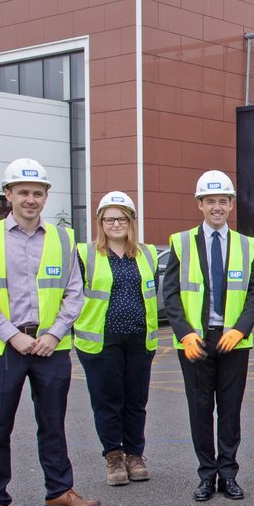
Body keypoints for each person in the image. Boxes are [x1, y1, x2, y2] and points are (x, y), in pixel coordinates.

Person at [0, 158, 99, 506]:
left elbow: (75, 292)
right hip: (3, 347)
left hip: (49, 346)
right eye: (22, 192)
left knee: (53, 422)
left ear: (46, 197)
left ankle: (59, 490)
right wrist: (14, 335)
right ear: (8, 195)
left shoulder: (63, 238)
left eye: (37, 193)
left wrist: (54, 333)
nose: (30, 199)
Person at [162, 170, 254, 501]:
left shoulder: (247, 245)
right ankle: (207, 475)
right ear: (200, 205)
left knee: (230, 411)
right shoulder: (181, 243)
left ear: (231, 205)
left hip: (233, 340)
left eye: (223, 201)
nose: (217, 207)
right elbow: (172, 294)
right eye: (210, 201)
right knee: (200, 409)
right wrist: (184, 333)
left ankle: (229, 474)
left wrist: (240, 329)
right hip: (196, 341)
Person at [75, 191, 159, 486]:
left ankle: (135, 455)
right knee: (108, 400)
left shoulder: (146, 253)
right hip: (101, 339)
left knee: (136, 400)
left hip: (139, 338)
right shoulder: (85, 254)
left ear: (132, 221)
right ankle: (114, 456)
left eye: (122, 218)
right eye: (109, 218)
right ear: (100, 222)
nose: (116, 223)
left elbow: (151, 293)